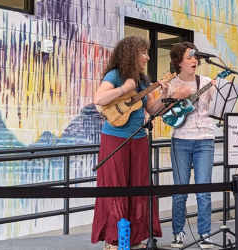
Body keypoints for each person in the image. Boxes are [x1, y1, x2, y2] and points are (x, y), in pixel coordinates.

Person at [91, 35, 168, 250]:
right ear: (131, 54)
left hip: (139, 139)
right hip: (115, 140)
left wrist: (164, 94)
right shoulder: (115, 75)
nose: (147, 57)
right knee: (116, 187)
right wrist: (125, 88)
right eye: (143, 52)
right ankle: (113, 239)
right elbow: (99, 98)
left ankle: (133, 238)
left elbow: (153, 110)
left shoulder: (144, 80)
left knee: (138, 187)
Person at [166, 42, 216, 249]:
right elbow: (164, 114)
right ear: (178, 62)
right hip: (180, 141)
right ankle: (178, 233)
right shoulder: (171, 84)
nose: (194, 60)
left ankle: (205, 233)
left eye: (195, 57)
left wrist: (218, 91)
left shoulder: (205, 81)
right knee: (180, 190)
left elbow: (218, 106)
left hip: (205, 139)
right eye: (189, 57)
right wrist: (173, 96)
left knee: (203, 190)